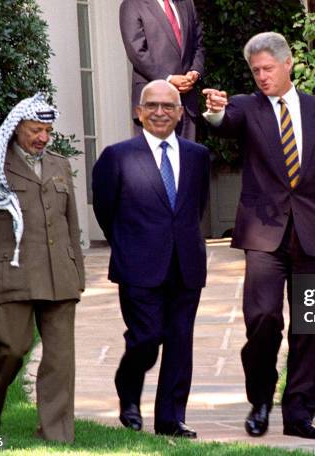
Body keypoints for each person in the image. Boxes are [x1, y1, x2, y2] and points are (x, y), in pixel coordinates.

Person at [203, 32, 315, 440]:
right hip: (263, 234)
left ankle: (299, 415)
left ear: (288, 64)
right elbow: (224, 123)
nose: (261, 77)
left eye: (267, 69)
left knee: (308, 326)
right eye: (255, 71)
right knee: (263, 320)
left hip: (310, 233)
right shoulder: (245, 108)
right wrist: (216, 112)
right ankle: (260, 399)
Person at [0, 93, 86, 442]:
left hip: (59, 273)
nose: (43, 138)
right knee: (12, 348)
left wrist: (76, 271)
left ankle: (56, 433)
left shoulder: (59, 164)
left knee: (61, 359)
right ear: (17, 128)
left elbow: (70, 221)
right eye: (36, 130)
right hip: (13, 273)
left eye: (47, 130)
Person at [92, 80, 209, 438]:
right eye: (152, 105)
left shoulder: (197, 155)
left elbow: (195, 207)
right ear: (138, 112)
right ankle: (128, 388)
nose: (160, 112)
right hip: (138, 265)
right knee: (146, 337)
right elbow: (104, 208)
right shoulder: (117, 156)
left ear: (179, 113)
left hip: (186, 265)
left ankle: (171, 419)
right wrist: (128, 244)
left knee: (179, 341)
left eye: (168, 106)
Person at [119, 0, 205, 140]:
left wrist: (195, 72)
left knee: (185, 160)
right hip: (153, 102)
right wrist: (168, 79)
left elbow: (198, 44)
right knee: (154, 161)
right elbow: (137, 52)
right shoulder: (132, 4)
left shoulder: (187, 3)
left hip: (186, 102)